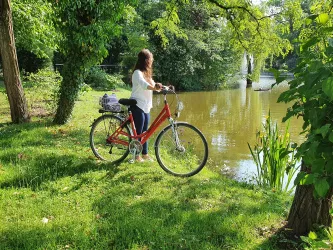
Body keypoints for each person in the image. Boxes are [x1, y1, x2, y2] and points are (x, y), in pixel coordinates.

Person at [130, 49, 162, 162]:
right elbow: (144, 85)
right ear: (146, 60)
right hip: (138, 105)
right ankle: (136, 155)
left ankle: (145, 153)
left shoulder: (147, 74)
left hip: (146, 106)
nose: (152, 60)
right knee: (138, 133)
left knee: (146, 132)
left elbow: (153, 85)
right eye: (151, 58)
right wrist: (154, 87)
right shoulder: (137, 73)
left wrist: (163, 87)